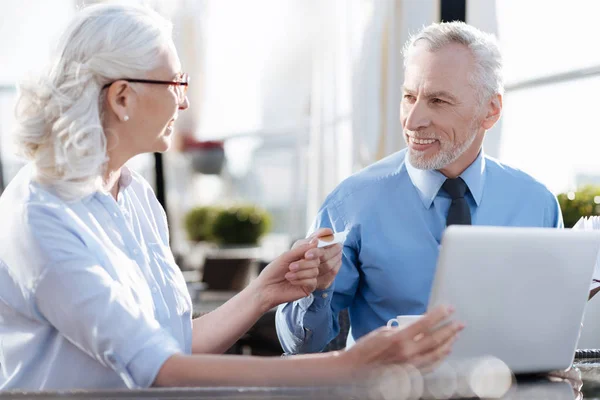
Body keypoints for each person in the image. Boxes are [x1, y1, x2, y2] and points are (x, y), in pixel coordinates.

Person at [0, 3, 463, 390]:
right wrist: (350, 365)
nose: (183, 103)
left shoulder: (136, 196)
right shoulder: (41, 215)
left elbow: (176, 345)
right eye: (176, 84)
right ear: (122, 98)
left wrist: (265, 292)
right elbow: (160, 370)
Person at [276, 21, 563, 354]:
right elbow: (300, 349)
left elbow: (550, 328)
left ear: (491, 110)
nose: (412, 121)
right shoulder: (351, 204)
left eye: (438, 101)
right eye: (409, 97)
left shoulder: (537, 204)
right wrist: (317, 291)